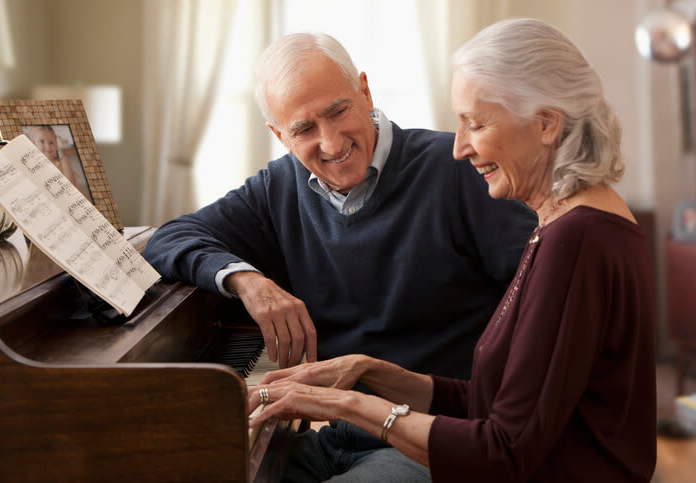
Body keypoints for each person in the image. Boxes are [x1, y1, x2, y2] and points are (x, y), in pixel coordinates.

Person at [247, 19, 657, 482]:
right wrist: (368, 370)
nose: (459, 148)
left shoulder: (577, 240)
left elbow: (503, 451)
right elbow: (492, 402)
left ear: (545, 124)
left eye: (475, 123)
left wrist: (346, 403)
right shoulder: (567, 224)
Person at [143, 32, 535, 378]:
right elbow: (170, 238)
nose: (331, 143)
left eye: (338, 112)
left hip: (430, 431)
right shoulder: (277, 187)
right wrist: (249, 282)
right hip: (332, 424)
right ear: (280, 135)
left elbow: (540, 297)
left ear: (364, 91)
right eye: (304, 129)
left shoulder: (459, 168)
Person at [24, 125, 93, 202]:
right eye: (42, 142)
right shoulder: (33, 166)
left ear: (56, 144)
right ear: (33, 144)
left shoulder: (63, 161)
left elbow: (69, 186)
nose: (48, 146)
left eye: (51, 142)